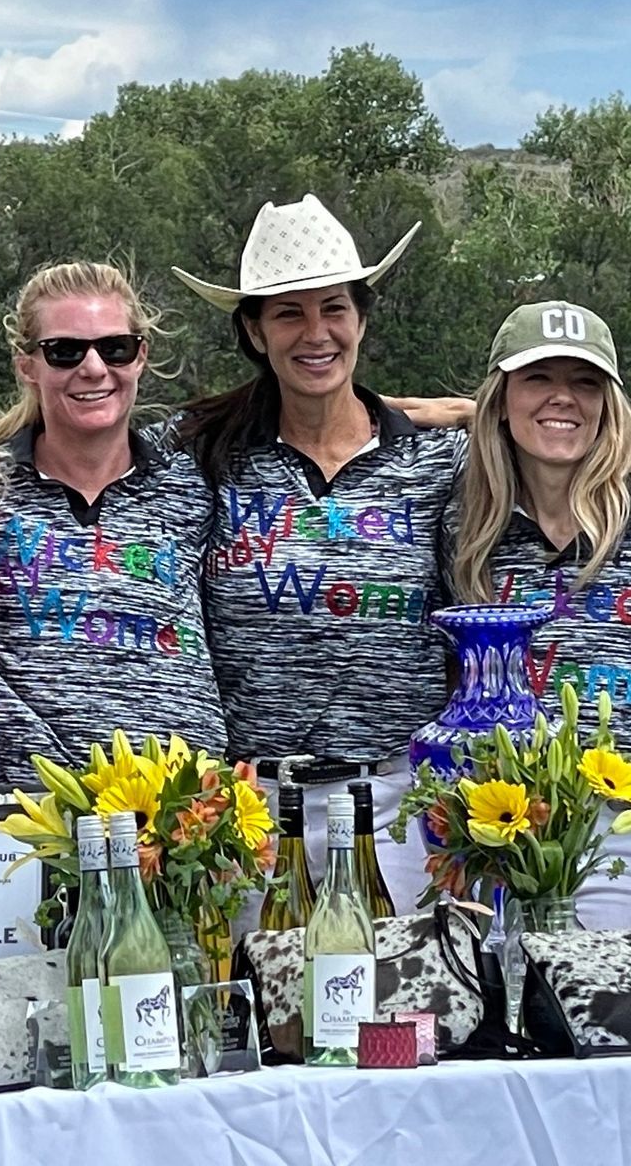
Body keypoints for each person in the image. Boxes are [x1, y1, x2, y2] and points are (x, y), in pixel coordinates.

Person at [174, 192, 458, 911]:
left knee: (399, 1016)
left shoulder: (437, 460)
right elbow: (86, 432)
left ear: (362, 316)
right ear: (253, 330)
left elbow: (565, 432)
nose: (316, 332)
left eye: (334, 308)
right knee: (256, 1015)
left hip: (398, 804)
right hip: (252, 808)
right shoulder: (202, 454)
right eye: (288, 313)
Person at [443, 301, 631, 928]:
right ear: (501, 397)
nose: (562, 398)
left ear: (610, 400)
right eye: (538, 379)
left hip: (629, 833)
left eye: (585, 382)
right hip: (492, 829)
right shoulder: (466, 521)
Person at [0, 261, 226, 781]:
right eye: (65, 351)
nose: (92, 368)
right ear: (26, 366)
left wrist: (411, 416)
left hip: (179, 818)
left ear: (141, 356)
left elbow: (307, 405)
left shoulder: (196, 474)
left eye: (115, 348)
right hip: (19, 816)